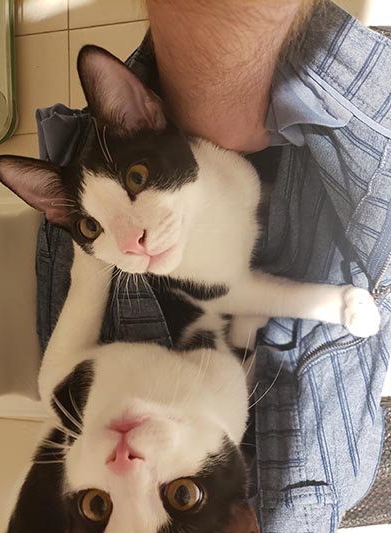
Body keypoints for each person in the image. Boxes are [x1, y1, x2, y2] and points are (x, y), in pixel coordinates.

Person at [36, 0, 391, 531]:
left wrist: (90, 270)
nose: (124, 465)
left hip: (160, 158)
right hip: (305, 194)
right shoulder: (321, 483)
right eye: (179, 496)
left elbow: (57, 380)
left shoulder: (75, 399)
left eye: (98, 506)